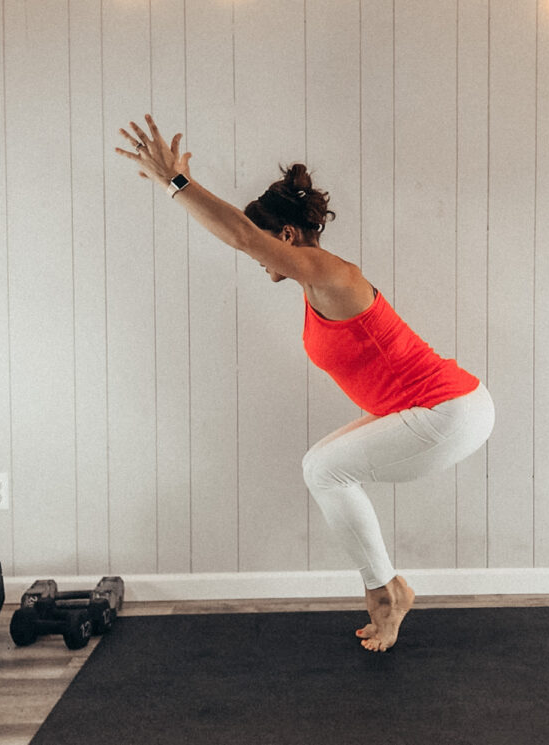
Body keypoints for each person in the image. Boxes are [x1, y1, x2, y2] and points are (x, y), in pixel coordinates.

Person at [116, 115, 495, 652]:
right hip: (436, 407)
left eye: (265, 248)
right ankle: (390, 589)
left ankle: (385, 593)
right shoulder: (317, 288)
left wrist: (176, 183)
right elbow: (251, 240)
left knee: (324, 471)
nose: (256, 259)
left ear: (287, 237)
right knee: (320, 464)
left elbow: (244, 237)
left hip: (450, 411)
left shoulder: (332, 274)